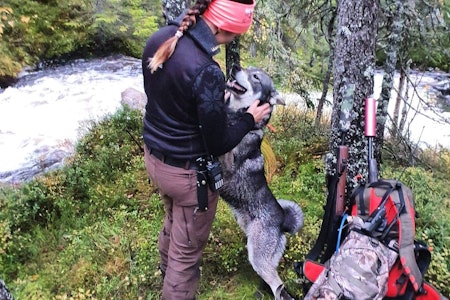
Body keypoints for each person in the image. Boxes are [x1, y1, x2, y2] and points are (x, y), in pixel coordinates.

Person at [141, 0, 271, 299]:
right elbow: (219, 143)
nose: (235, 39)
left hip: (155, 157)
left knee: (175, 219)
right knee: (185, 258)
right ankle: (174, 286)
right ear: (225, 27)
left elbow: (166, 99)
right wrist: (250, 118)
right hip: (188, 175)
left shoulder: (159, 39)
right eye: (236, 33)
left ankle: (164, 268)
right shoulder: (206, 69)